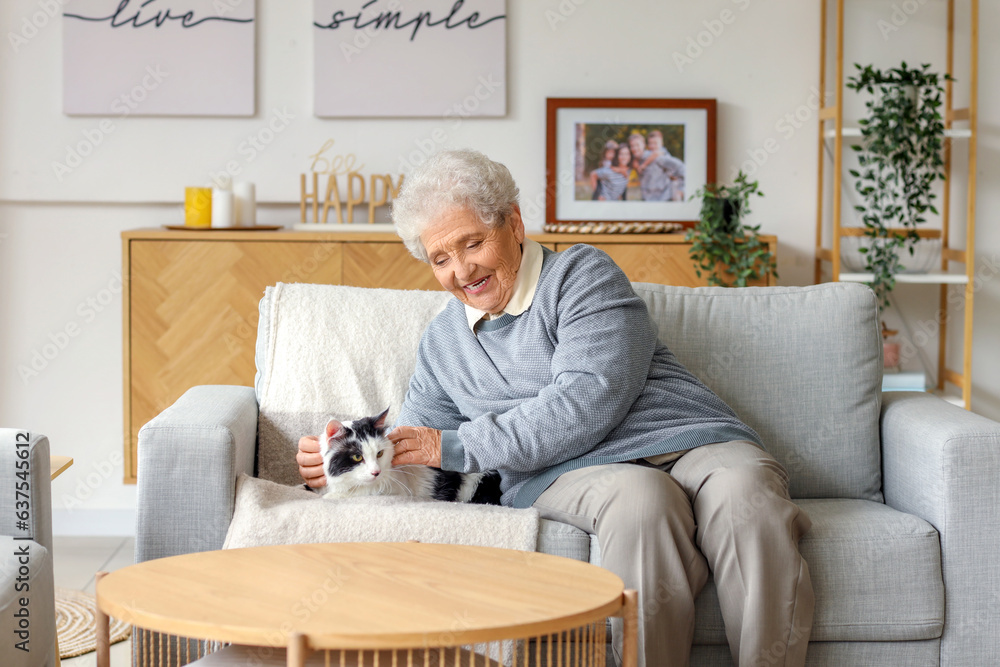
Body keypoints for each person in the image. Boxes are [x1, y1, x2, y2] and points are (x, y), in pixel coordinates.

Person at [297, 149, 814, 667]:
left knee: (746, 490)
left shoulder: (580, 274)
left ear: (514, 224)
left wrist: (456, 444)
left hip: (687, 437)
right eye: (441, 259)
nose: (462, 270)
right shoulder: (442, 345)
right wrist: (336, 467)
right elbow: (418, 454)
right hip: (569, 474)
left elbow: (589, 398)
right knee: (641, 503)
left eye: (472, 243)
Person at [630, 131, 686, 202]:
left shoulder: (660, 157)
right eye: (650, 143)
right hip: (647, 200)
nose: (653, 146)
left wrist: (681, 190)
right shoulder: (639, 159)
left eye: (637, 145)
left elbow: (682, 168)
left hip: (663, 199)